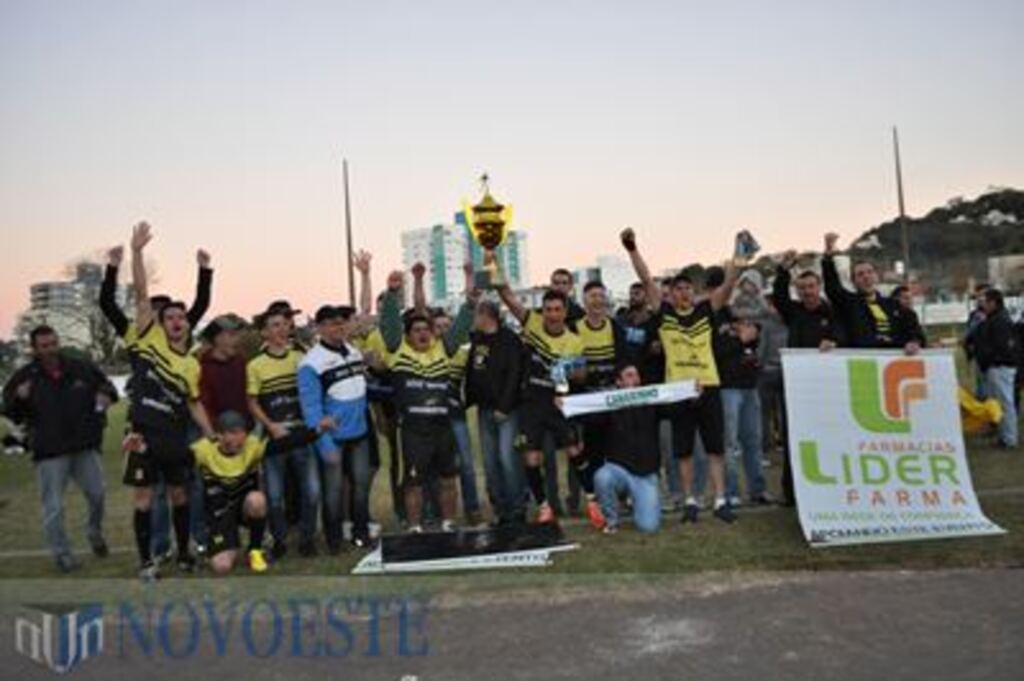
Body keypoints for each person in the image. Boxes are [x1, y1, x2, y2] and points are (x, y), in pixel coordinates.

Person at [99, 242, 214, 565]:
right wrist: (133, 255)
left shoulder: (191, 364)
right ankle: (147, 559)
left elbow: (193, 403)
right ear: (159, 323)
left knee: (179, 495)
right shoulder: (146, 337)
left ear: (188, 325)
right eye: (170, 317)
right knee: (146, 498)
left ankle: (183, 553)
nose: (177, 321)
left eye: (182, 317)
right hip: (143, 434)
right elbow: (136, 296)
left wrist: (210, 432)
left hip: (174, 437)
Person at [622, 227, 740, 524]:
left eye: (688, 288)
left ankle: (721, 499)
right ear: (670, 294)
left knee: (715, 448)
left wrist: (739, 259)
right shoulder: (664, 314)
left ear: (694, 291)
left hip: (709, 386)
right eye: (677, 289)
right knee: (684, 450)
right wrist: (632, 249)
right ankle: (690, 502)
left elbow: (727, 287)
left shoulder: (706, 311)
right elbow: (647, 280)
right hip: (678, 390)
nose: (683, 292)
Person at [2, 326, 117, 572]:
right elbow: (9, 411)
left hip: (84, 445)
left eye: (53, 343)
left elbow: (108, 387)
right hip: (49, 451)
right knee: (53, 507)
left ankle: (94, 533)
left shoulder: (80, 367)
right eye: (44, 346)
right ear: (34, 349)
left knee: (98, 495)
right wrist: (19, 399)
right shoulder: (24, 376)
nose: (50, 349)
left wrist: (105, 396)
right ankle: (62, 555)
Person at [379, 268, 476, 532]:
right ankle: (414, 527)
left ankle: (448, 523)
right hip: (412, 431)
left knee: (448, 479)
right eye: (416, 330)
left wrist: (470, 303)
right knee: (413, 482)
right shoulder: (397, 352)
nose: (422, 333)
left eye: (426, 329)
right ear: (407, 335)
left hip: (442, 428)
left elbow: (461, 326)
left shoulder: (443, 348)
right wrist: (392, 293)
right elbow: (388, 325)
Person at [496, 260, 587, 525]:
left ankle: (592, 501)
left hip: (560, 403)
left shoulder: (574, 340)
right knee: (532, 457)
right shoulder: (532, 323)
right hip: (531, 403)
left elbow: (582, 374)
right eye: (548, 309)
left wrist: (567, 369)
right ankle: (544, 506)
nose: (552, 314)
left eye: (557, 310)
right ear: (543, 310)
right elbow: (508, 297)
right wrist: (494, 264)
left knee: (575, 451)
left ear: (565, 311)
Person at [247, 305, 320, 559]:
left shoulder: (301, 359)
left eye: (283, 324)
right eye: (274, 326)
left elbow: (313, 394)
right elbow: (253, 402)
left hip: (301, 433)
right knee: (275, 497)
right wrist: (270, 426)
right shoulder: (256, 365)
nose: (280, 330)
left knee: (311, 491)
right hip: (274, 438)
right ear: (264, 333)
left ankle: (307, 539)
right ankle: (279, 541)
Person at [298, 304, 371, 552]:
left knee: (361, 485)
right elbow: (311, 408)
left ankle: (361, 533)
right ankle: (334, 540)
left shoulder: (353, 352)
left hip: (360, 433)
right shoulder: (311, 363)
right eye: (330, 323)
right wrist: (324, 443)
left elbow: (361, 389)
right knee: (333, 491)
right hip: (333, 438)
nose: (338, 327)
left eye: (340, 322)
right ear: (319, 328)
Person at [772, 250, 843, 505]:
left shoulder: (834, 312)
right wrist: (783, 270)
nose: (807, 292)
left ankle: (829, 486)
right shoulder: (794, 311)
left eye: (811, 286)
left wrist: (834, 340)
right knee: (794, 438)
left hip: (827, 387)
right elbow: (779, 297)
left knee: (827, 435)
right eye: (802, 288)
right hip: (795, 387)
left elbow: (844, 337)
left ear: (819, 286)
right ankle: (790, 493)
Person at [571, 280, 627, 528]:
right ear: (584, 301)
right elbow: (570, 367)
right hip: (588, 404)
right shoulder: (575, 328)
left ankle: (620, 499)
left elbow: (624, 362)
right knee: (593, 456)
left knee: (617, 454)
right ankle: (599, 506)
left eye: (601, 296)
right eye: (592, 296)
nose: (597, 300)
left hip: (613, 403)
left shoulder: (615, 327)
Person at [465, 300, 526, 526]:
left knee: (507, 458)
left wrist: (505, 406)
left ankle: (517, 508)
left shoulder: (509, 339)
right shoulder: (478, 340)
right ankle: (501, 510)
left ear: (486, 316)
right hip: (484, 409)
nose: (474, 320)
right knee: (490, 463)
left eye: (477, 315)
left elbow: (515, 373)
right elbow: (473, 370)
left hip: (506, 411)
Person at [190, 411, 270, 575]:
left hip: (243, 508)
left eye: (242, 434)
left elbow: (285, 445)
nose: (241, 440)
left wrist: (317, 431)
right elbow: (178, 457)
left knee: (257, 500)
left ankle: (255, 550)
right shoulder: (204, 449)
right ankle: (230, 545)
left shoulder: (252, 444)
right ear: (220, 435)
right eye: (233, 434)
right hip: (220, 514)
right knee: (222, 567)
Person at [589, 364, 663, 534]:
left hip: (645, 473)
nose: (635, 379)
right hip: (619, 468)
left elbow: (673, 408)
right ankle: (611, 520)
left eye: (636, 375)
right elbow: (589, 417)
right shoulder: (609, 403)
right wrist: (566, 403)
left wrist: (694, 393)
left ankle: (634, 500)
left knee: (649, 527)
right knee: (602, 477)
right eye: (629, 376)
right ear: (619, 382)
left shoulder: (652, 399)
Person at [821, 232, 924, 352]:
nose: (866, 277)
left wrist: (915, 342)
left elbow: (914, 331)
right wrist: (828, 258)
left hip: (894, 363)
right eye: (860, 274)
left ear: (876, 277)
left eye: (870, 272)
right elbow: (832, 287)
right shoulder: (849, 303)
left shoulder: (894, 305)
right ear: (853, 282)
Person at [974, 289, 1019, 448]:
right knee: (998, 404)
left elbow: (1002, 346)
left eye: (984, 301)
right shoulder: (993, 318)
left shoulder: (1000, 320)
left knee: (1005, 403)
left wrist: (990, 360)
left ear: (993, 302)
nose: (981, 304)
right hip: (995, 366)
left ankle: (1009, 438)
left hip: (1000, 367)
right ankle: (1003, 436)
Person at [964, 284, 991, 399]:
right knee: (981, 385)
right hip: (978, 356)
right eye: (978, 296)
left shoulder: (996, 314)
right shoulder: (974, 315)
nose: (980, 299)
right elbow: (968, 335)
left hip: (993, 357)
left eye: (983, 295)